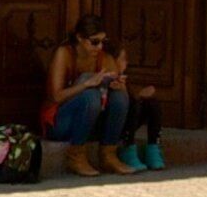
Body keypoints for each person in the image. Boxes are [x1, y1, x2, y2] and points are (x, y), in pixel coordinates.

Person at [46, 14, 144, 174]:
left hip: (93, 123)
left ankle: (108, 154)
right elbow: (56, 97)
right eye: (94, 42)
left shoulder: (104, 58)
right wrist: (85, 84)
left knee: (119, 96)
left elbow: (122, 98)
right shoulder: (64, 54)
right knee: (90, 93)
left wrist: (119, 86)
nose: (99, 47)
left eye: (103, 42)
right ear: (79, 38)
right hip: (61, 122)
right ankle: (76, 156)